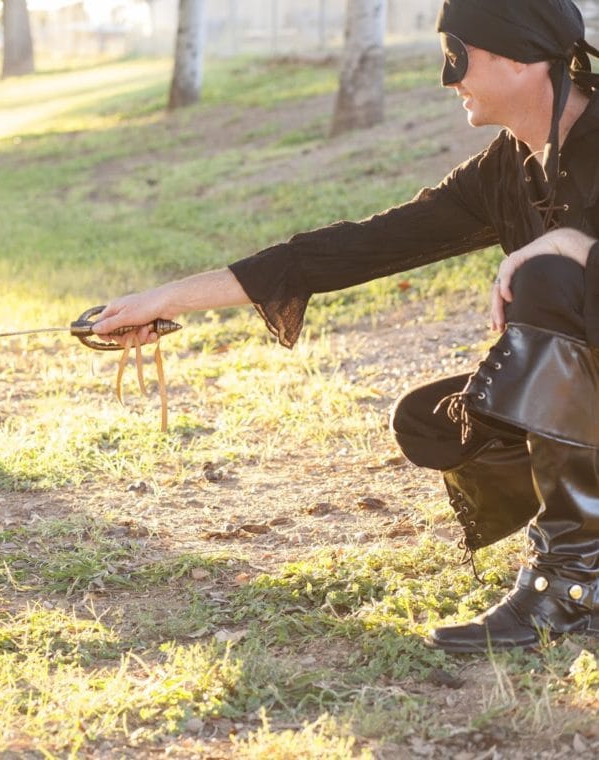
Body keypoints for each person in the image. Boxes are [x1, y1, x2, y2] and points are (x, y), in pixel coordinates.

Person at [94, 0, 599, 654]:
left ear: (518, 58)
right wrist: (162, 299)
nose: (449, 80)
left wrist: (574, 244)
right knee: (436, 420)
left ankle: (571, 586)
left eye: (458, 57)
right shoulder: (506, 170)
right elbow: (349, 249)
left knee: (548, 280)